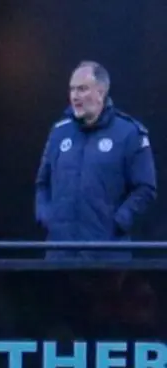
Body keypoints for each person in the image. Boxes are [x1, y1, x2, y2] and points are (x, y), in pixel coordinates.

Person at [35, 61, 156, 260]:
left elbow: (145, 188)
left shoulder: (129, 133)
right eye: (72, 90)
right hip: (60, 254)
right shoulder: (59, 132)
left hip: (107, 255)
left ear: (101, 93)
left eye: (82, 89)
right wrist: (47, 218)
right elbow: (42, 184)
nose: (74, 96)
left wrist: (118, 222)